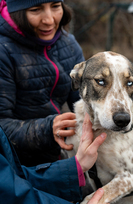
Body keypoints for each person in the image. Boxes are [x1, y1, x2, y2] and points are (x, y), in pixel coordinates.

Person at [0, 0, 85, 166]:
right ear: (16, 13)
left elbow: (84, 100)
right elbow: (1, 124)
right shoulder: (3, 51)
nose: (49, 20)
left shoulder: (68, 43)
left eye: (55, 6)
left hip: (58, 156)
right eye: (35, 9)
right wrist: (46, 129)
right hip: (14, 164)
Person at [0, 113, 108, 204]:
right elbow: (9, 193)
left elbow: (13, 177)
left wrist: (73, 168)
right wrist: (44, 129)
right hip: (30, 155)